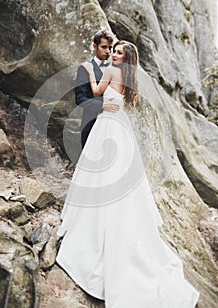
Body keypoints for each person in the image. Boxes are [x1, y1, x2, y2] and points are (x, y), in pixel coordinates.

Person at [56, 40, 199, 307]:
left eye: (118, 52)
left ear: (124, 57)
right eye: (113, 50)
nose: (113, 54)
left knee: (98, 170)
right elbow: (121, 103)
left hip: (107, 126)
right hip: (120, 128)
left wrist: (89, 73)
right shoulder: (130, 78)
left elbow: (97, 92)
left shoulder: (110, 71)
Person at [75, 29, 120, 148]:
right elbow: (80, 98)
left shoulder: (115, 70)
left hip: (112, 125)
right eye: (104, 47)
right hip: (90, 124)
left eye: (110, 48)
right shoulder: (85, 68)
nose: (108, 52)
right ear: (95, 46)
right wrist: (101, 106)